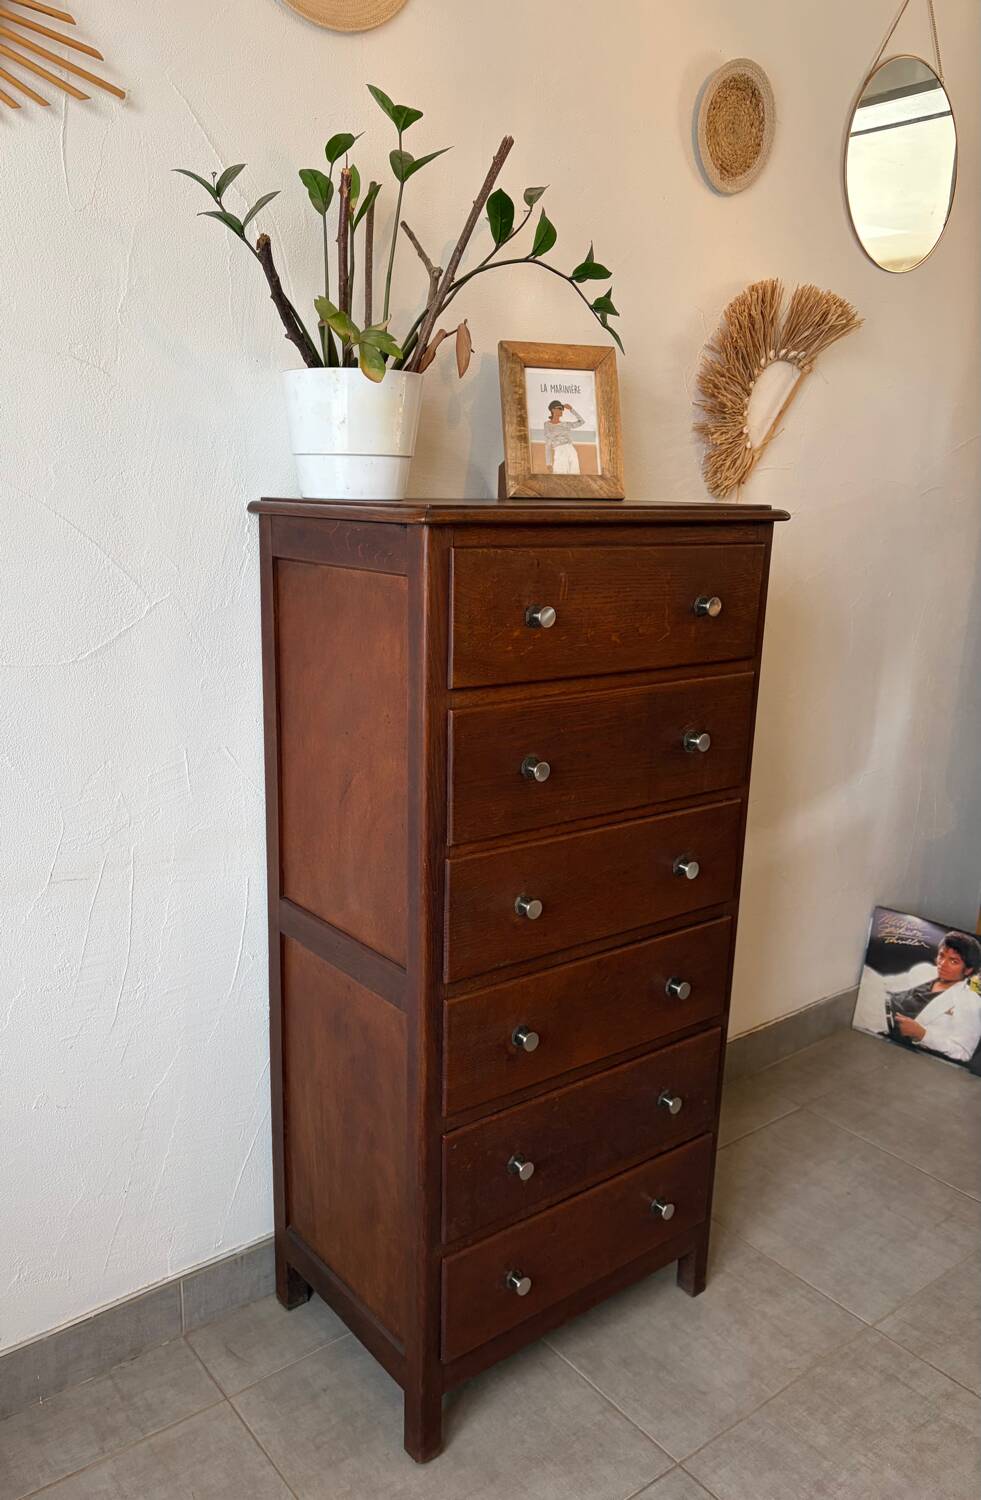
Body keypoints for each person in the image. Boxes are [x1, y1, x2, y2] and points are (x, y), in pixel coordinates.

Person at [885, 931, 981, 1064]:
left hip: (899, 1045)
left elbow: (963, 1053)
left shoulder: (970, 1002)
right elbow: (886, 984)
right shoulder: (925, 970)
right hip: (879, 1014)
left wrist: (923, 1035)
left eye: (953, 961)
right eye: (941, 955)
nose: (942, 963)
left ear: (968, 970)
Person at [542, 399, 584, 474]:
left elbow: (582, 421)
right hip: (559, 451)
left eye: (562, 409)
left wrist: (571, 409)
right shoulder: (547, 425)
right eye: (559, 408)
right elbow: (548, 444)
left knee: (575, 475)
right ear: (553, 410)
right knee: (559, 476)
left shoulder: (565, 424)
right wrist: (549, 463)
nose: (562, 410)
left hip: (571, 450)